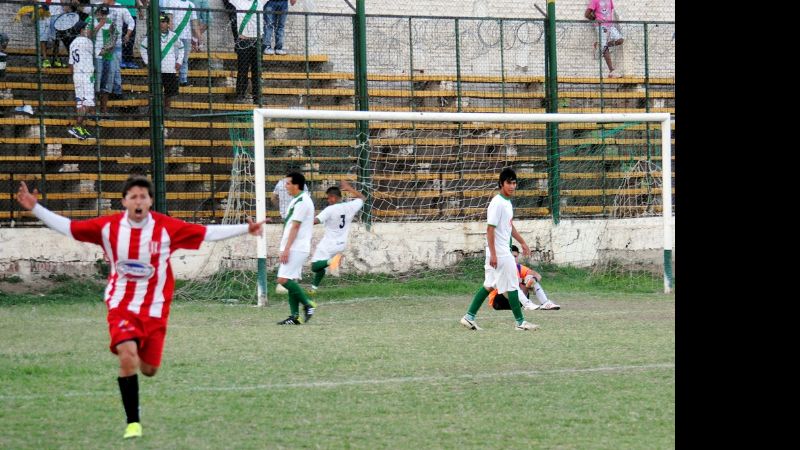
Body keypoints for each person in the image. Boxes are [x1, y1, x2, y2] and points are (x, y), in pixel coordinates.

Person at [15, 176, 265, 439]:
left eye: (143, 196)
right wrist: (35, 207)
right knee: (127, 356)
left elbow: (206, 233)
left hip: (155, 308)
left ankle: (140, 365)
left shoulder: (166, 228)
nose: (138, 201)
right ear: (124, 201)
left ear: (150, 201)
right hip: (121, 304)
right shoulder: (108, 227)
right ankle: (133, 422)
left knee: (149, 369)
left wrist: (245, 229)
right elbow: (69, 227)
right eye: (133, 196)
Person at [460, 167, 539, 331]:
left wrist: (522, 242)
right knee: (512, 285)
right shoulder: (497, 203)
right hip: (500, 252)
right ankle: (520, 323)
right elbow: (490, 229)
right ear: (501, 184)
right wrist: (494, 254)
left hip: (498, 251)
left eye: (514, 183)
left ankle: (469, 317)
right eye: (509, 183)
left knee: (489, 284)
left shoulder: (507, 202)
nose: (512, 186)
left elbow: (509, 226)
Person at [275, 171, 317, 325]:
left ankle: (308, 304)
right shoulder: (296, 200)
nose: (285, 186)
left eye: (288, 183)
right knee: (290, 279)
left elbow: (295, 227)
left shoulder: (303, 202)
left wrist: (286, 249)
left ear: (296, 185)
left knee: (283, 279)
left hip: (296, 247)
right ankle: (295, 317)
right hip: (294, 247)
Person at [309, 180, 364, 292]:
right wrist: (349, 188)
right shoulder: (350, 206)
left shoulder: (329, 210)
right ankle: (313, 290)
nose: (328, 200)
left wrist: (301, 220)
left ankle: (332, 261)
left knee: (315, 266)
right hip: (341, 244)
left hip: (329, 244)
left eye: (328, 198)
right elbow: (363, 198)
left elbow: (315, 221)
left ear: (333, 197)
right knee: (321, 267)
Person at [488, 245, 561, 311]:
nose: (513, 259)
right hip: (498, 301)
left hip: (517, 301)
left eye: (515, 256)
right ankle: (527, 304)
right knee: (512, 283)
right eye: (511, 256)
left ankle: (545, 303)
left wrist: (532, 280)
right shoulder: (501, 267)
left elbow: (538, 276)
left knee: (530, 278)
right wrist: (523, 280)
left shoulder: (519, 267)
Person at [139, 12, 184, 109]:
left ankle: (166, 110)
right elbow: (142, 48)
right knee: (155, 92)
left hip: (170, 69)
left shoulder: (173, 36)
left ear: (168, 24)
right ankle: (154, 110)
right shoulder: (152, 35)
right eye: (159, 22)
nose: (161, 24)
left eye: (163, 22)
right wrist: (147, 62)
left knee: (169, 93)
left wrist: (179, 61)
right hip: (156, 69)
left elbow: (181, 48)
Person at [229, 0, 267, 103]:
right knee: (242, 69)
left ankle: (257, 96)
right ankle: (240, 94)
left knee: (257, 70)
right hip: (243, 41)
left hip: (257, 41)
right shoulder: (238, 2)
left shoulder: (260, 2)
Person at [162, 0, 202, 87]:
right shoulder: (172, 2)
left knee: (184, 59)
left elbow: (194, 24)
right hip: (176, 36)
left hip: (187, 37)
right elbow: (169, 20)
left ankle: (183, 80)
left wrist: (198, 38)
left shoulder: (191, 5)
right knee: (173, 58)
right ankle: (170, 79)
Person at [67, 19, 95, 140]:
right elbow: (99, 53)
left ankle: (80, 127)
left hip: (77, 75)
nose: (89, 30)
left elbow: (70, 65)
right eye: (87, 28)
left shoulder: (73, 43)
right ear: (82, 30)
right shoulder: (87, 42)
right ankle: (77, 126)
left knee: (80, 102)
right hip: (86, 75)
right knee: (88, 101)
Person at [585, 0, 623, 78]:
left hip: (610, 26)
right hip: (600, 26)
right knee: (605, 48)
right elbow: (587, 14)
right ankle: (611, 71)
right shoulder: (595, 1)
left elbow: (610, 12)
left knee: (620, 40)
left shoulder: (610, 0)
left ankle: (601, 45)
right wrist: (596, 19)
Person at [91, 5, 116, 113]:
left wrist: (107, 49)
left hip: (107, 55)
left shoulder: (111, 23)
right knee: (96, 83)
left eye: (105, 14)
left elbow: (114, 38)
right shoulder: (91, 21)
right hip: (95, 56)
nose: (103, 16)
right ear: (98, 13)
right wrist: (100, 25)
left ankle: (103, 110)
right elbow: (89, 36)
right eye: (102, 13)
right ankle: (94, 110)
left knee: (106, 84)